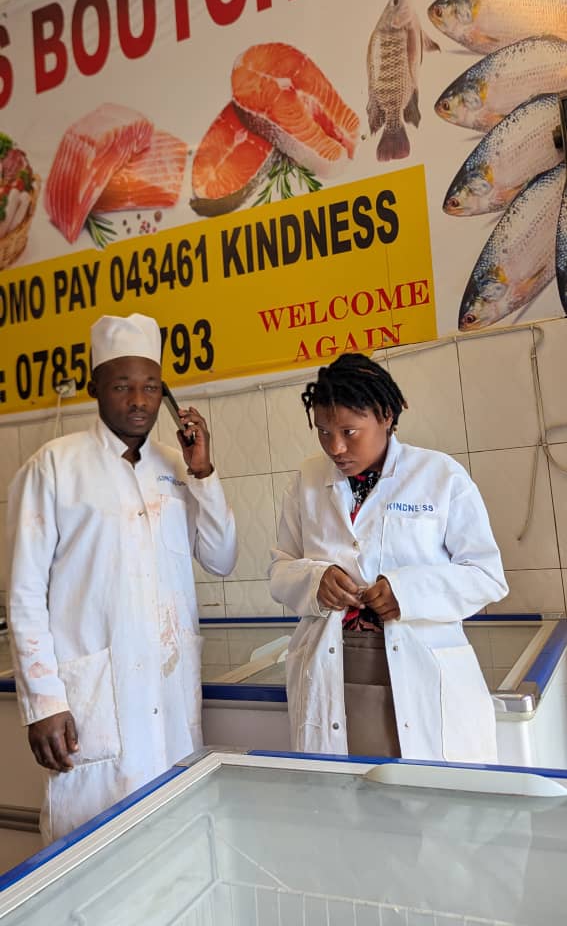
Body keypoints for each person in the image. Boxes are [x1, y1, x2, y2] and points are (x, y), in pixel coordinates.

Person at [7, 312, 237, 842]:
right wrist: (44, 702)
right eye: (122, 386)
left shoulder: (177, 467)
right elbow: (24, 594)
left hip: (168, 696)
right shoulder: (54, 466)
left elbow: (221, 558)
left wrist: (203, 472)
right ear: (95, 388)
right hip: (92, 702)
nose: (139, 400)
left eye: (151, 386)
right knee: (91, 849)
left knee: (176, 844)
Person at [270, 352, 508, 763]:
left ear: (386, 416)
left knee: (426, 794)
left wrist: (407, 592)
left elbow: (487, 575)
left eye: (349, 431)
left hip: (420, 665)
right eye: (324, 432)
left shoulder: (440, 476)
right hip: (333, 665)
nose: (336, 447)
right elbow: (280, 568)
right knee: (342, 796)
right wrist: (315, 580)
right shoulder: (307, 480)